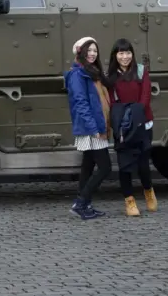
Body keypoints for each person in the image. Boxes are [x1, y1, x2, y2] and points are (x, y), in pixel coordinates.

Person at [107, 38, 157, 217]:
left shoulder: (141, 71)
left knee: (143, 164)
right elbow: (112, 102)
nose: (125, 57)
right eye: (121, 53)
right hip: (123, 127)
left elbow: (145, 97)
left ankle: (148, 191)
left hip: (142, 123)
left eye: (128, 53)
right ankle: (129, 201)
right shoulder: (111, 76)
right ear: (115, 55)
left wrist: (134, 115)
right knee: (124, 165)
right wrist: (121, 120)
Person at [65, 37, 113, 220]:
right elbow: (80, 103)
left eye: (95, 50)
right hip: (92, 127)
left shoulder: (92, 72)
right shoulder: (78, 74)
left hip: (95, 125)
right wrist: (94, 128)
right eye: (89, 50)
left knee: (88, 165)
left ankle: (84, 203)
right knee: (105, 167)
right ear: (80, 52)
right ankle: (81, 202)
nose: (92, 53)